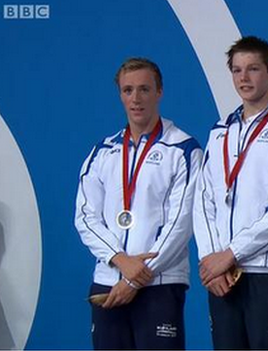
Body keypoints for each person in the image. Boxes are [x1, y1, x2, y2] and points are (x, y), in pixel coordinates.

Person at [75, 57, 202, 349]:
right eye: (128, 90)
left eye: (144, 89)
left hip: (159, 284)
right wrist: (120, 260)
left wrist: (136, 278)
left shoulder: (182, 149)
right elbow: (84, 216)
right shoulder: (103, 152)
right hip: (108, 281)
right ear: (120, 94)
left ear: (159, 92)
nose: (136, 99)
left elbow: (181, 223)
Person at [193, 36, 268, 350]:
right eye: (237, 70)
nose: (244, 78)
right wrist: (210, 260)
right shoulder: (220, 131)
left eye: (253, 69)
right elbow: (203, 200)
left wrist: (230, 254)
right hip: (222, 277)